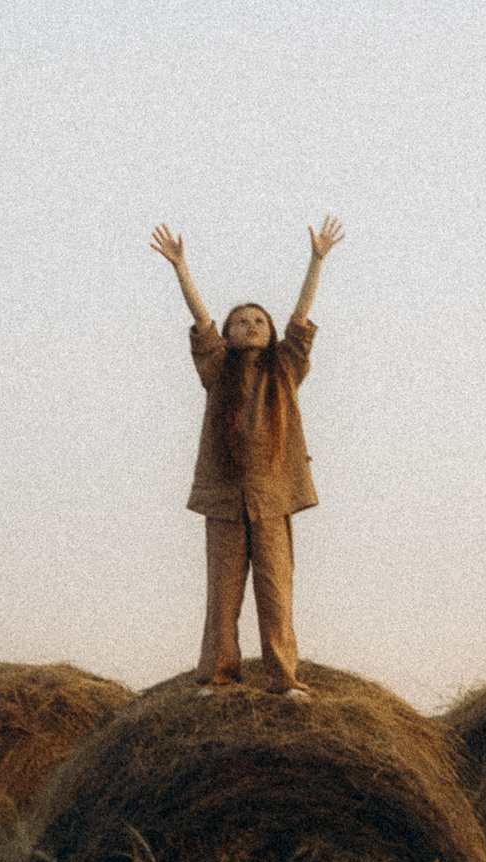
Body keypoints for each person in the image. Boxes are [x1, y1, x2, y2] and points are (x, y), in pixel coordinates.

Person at [149, 217, 343, 697]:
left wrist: (316, 260)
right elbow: (202, 323)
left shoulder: (285, 367)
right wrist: (181, 266)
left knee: (276, 595)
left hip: (273, 497)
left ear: (270, 331)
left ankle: (284, 678)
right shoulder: (216, 370)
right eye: (241, 321)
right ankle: (217, 676)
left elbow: (300, 319)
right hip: (224, 498)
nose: (250, 326)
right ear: (230, 335)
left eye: (259, 320)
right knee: (223, 597)